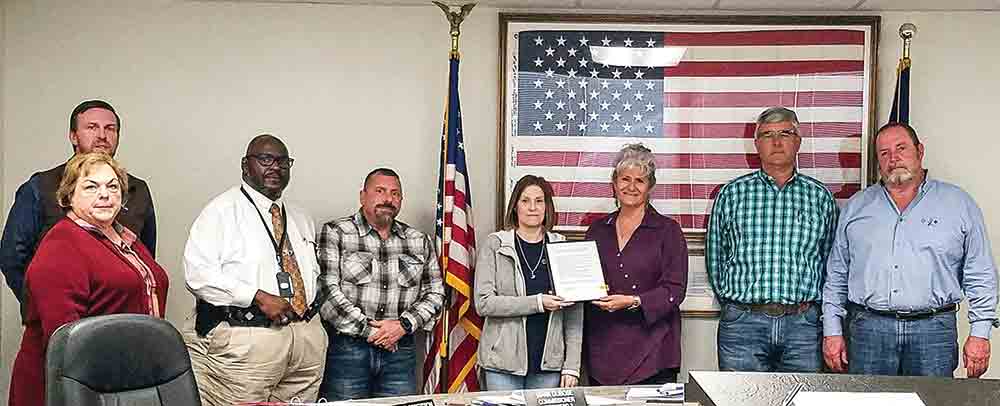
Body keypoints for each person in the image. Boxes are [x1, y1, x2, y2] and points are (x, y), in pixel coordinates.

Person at [822, 122, 998, 377]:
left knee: (933, 402)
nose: (893, 158)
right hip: (868, 331)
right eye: (884, 153)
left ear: (920, 151)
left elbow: (980, 273)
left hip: (934, 332)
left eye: (901, 148)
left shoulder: (958, 204)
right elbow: (837, 275)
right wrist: (832, 330)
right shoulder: (856, 208)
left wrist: (980, 333)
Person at [8, 152, 169, 406]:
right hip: (76, 387)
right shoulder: (62, 244)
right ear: (69, 195)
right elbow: (65, 342)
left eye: (112, 186)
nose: (104, 194)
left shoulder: (125, 238)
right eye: (91, 186)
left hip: (126, 378)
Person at [182, 134, 327, 405]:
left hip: (303, 343)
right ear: (245, 166)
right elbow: (197, 274)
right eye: (265, 159)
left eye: (283, 161)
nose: (275, 167)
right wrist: (257, 296)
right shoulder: (221, 212)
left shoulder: (299, 217)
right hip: (246, 343)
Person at [705, 106, 838, 373]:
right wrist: (741, 306)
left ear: (798, 141)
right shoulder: (732, 194)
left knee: (802, 401)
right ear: (756, 144)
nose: (776, 142)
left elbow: (830, 261)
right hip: (743, 324)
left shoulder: (820, 197)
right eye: (767, 135)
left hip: (803, 326)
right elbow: (715, 257)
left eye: (785, 133)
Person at [1, 100, 157, 321]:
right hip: (65, 324)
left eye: (110, 128)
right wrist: (42, 304)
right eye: (92, 127)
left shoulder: (137, 189)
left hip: (128, 326)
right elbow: (12, 257)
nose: (102, 135)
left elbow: (145, 255)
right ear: (73, 136)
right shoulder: (41, 186)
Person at [317, 168, 445, 400]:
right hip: (348, 349)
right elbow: (327, 293)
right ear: (362, 196)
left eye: (395, 194)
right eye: (380, 191)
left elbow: (435, 293)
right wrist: (372, 331)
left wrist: (402, 326)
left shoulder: (418, 240)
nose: (388, 199)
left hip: (400, 351)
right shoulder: (336, 232)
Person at [584, 143, 688, 385]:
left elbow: (675, 290)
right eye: (625, 179)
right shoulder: (597, 230)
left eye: (639, 181)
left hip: (654, 353)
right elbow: (586, 282)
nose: (631, 187)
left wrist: (634, 301)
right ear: (614, 182)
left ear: (650, 186)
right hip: (602, 350)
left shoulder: (668, 231)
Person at [475, 175, 583, 390]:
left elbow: (574, 314)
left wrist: (572, 366)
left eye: (539, 201)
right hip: (501, 365)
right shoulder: (495, 245)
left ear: (547, 206)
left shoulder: (563, 247)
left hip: (548, 366)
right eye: (525, 201)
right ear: (515, 206)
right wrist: (538, 303)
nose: (532, 207)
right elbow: (484, 303)